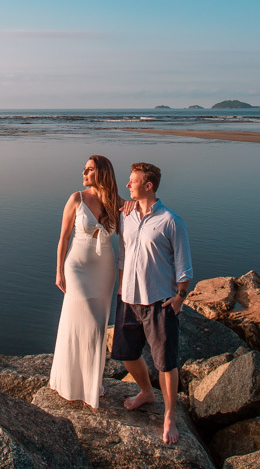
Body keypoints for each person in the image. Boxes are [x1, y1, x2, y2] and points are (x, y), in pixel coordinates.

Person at [111, 161, 192, 444]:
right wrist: (120, 289)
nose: (127, 185)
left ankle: (170, 416)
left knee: (166, 363)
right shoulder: (127, 215)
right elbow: (122, 254)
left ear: (148, 186)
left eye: (132, 181)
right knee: (126, 353)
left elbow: (184, 266)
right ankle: (146, 393)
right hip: (128, 298)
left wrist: (180, 296)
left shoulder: (171, 221)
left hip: (159, 301)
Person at [49, 155, 123, 408]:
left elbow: (137, 216)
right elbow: (63, 237)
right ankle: (69, 382)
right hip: (77, 268)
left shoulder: (115, 202)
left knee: (98, 328)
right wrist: (59, 271)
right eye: (84, 169)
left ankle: (92, 384)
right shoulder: (76, 199)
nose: (84, 172)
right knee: (82, 322)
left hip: (105, 271)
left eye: (89, 169)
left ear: (102, 172)